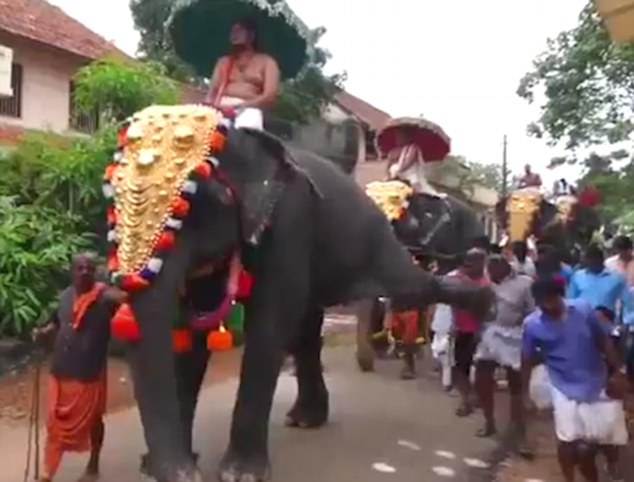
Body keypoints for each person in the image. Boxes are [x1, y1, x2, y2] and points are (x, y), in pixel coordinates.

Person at [522, 276, 628, 482]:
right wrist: (526, 393)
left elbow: (604, 341)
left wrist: (618, 371)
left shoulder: (583, 309)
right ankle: (569, 477)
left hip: (598, 379)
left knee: (609, 437)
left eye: (551, 301)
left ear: (559, 296)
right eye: (542, 303)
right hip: (563, 385)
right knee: (567, 440)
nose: (547, 307)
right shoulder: (532, 325)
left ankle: (612, 465)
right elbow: (525, 359)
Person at [32, 253, 125, 482]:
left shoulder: (104, 297)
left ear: (95, 272)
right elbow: (56, 323)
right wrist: (42, 333)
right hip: (61, 370)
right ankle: (47, 472)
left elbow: (127, 297)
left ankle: (93, 464)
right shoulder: (64, 297)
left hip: (89, 373)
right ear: (71, 271)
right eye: (80, 268)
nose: (85, 272)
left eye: (89, 268)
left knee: (93, 420)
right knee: (55, 422)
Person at [474, 256, 534, 445]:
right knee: (482, 376)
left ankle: (517, 427)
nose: (490, 275)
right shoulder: (486, 282)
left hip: (514, 334)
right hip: (491, 332)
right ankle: (489, 421)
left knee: (515, 382)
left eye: (493, 272)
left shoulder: (524, 284)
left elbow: (532, 312)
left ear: (505, 268)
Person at [204, 18, 280, 129]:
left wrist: (239, 106)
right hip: (222, 105)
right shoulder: (224, 61)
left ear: (251, 35)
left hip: (249, 108)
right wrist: (208, 106)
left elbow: (269, 97)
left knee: (247, 126)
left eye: (239, 30)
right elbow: (211, 93)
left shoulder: (268, 62)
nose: (234, 34)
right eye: (232, 31)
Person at [450, 248, 489, 417]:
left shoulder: (487, 284)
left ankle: (478, 397)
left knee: (482, 368)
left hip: (482, 332)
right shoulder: (461, 281)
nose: (471, 267)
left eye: (478, 262)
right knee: (461, 367)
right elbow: (454, 305)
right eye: (470, 263)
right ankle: (465, 400)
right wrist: (453, 325)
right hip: (462, 330)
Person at [567, 244, 633, 321]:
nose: (585, 262)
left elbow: (629, 304)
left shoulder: (616, 278)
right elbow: (570, 301)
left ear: (600, 259)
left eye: (589, 259)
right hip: (581, 321)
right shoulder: (578, 276)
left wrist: (626, 321)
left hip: (606, 322)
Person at [386, 127, 444, 198]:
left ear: (406, 137)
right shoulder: (396, 150)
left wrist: (397, 170)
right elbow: (390, 164)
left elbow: (407, 163)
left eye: (400, 136)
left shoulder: (413, 147)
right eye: (397, 136)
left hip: (410, 173)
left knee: (414, 187)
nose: (398, 139)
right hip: (400, 172)